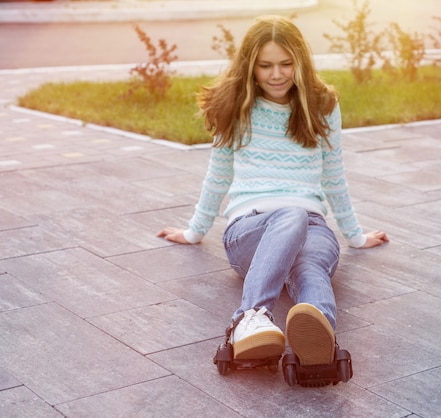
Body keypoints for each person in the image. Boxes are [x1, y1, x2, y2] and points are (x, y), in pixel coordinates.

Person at [158, 15, 388, 373]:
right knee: (291, 213)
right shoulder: (234, 104)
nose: (277, 74)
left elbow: (333, 175)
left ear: (301, 62)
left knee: (310, 264)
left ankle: (320, 339)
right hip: (249, 231)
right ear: (250, 66)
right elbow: (218, 176)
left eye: (286, 64)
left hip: (310, 225)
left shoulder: (322, 103)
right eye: (266, 66)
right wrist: (194, 231)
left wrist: (356, 236)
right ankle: (251, 315)